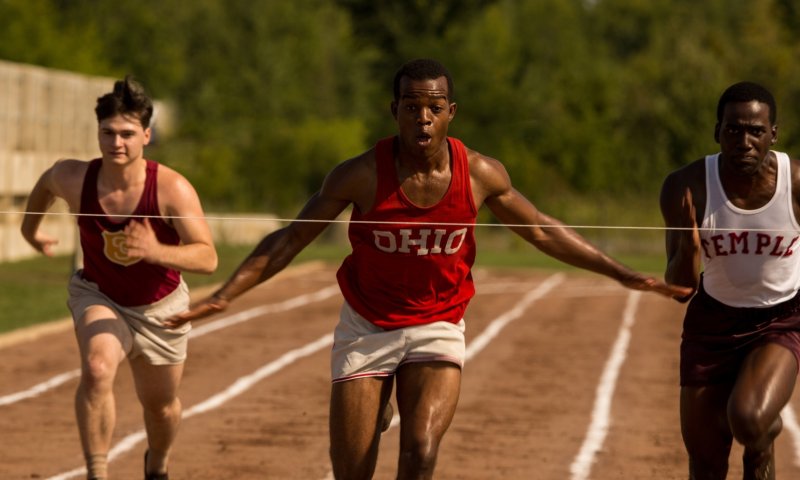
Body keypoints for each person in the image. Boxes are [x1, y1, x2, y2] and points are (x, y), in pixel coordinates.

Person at [166, 58, 690, 479]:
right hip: (367, 325)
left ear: (451, 112)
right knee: (352, 470)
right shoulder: (361, 175)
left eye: (434, 108)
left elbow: (541, 229)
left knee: (420, 450)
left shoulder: (480, 173)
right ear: (394, 110)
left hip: (438, 324)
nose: (423, 118)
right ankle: (380, 398)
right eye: (412, 107)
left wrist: (620, 272)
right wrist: (228, 293)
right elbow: (291, 238)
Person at [20, 76, 218, 480]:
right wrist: (31, 232)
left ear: (146, 135)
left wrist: (156, 251)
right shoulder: (75, 178)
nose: (117, 143)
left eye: (127, 134)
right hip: (99, 294)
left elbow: (208, 257)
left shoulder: (172, 189)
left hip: (160, 307)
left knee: (160, 406)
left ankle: (157, 464)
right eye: (107, 133)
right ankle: (98, 471)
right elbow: (45, 184)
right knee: (96, 367)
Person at [660, 81, 800, 479]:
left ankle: (765, 428)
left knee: (749, 418)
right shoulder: (687, 186)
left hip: (779, 320)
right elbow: (681, 290)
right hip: (712, 325)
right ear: (717, 131)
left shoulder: (796, 183)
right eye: (734, 129)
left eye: (756, 130)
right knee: (705, 462)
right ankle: (760, 434)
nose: (744, 141)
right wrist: (688, 246)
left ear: (773, 133)